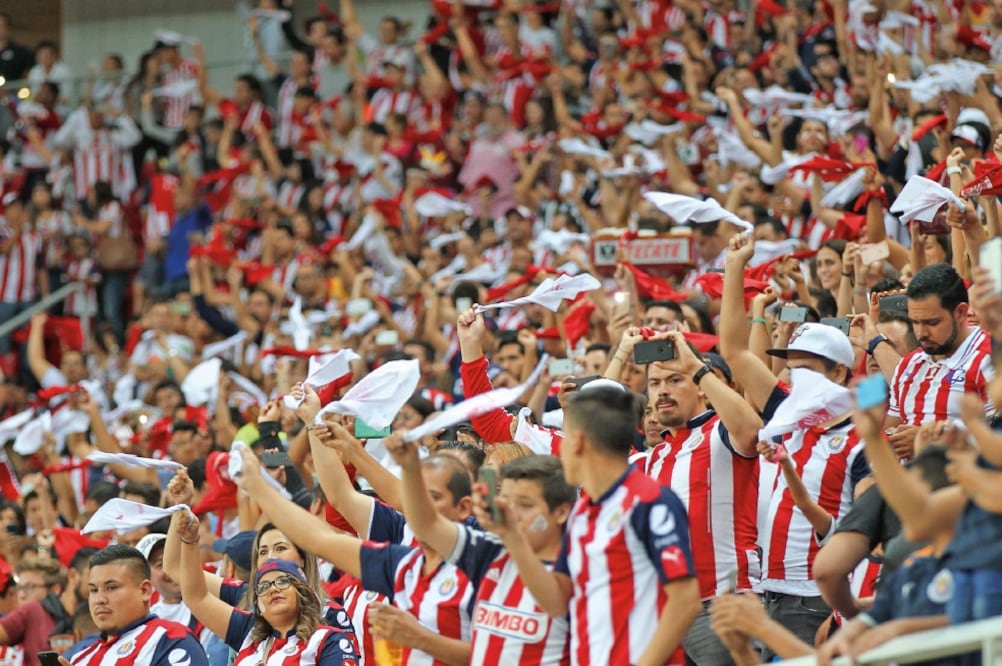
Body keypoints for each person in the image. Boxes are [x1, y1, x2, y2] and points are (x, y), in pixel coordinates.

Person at [720, 233, 868, 656]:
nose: (792, 378)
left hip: (817, 599)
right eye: (790, 368)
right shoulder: (785, 414)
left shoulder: (861, 439)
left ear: (838, 374)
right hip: (771, 592)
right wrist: (735, 267)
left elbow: (865, 528)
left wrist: (838, 608)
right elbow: (734, 352)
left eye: (806, 369)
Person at [497, 386, 702, 665]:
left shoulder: (650, 501)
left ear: (578, 442)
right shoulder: (581, 510)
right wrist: (512, 537)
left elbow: (686, 600)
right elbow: (556, 602)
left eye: (564, 437)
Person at [388, 429, 575, 665]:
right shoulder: (490, 552)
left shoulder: (578, 569)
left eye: (525, 505)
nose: (511, 512)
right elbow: (426, 524)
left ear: (561, 512)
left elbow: (556, 603)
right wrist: (410, 468)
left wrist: (511, 534)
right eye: (504, 500)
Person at [636, 328, 762, 665]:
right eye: (654, 384)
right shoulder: (655, 456)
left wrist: (696, 367)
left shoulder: (720, 432)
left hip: (723, 605)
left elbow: (752, 430)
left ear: (701, 387)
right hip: (670, 614)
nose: (662, 391)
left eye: (675, 380)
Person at [175, 509, 359, 666]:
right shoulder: (247, 630)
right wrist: (189, 540)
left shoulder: (328, 639)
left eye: (282, 581)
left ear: (302, 591)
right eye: (263, 586)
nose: (273, 589)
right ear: (256, 600)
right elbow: (196, 596)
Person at [885, 263, 995, 458]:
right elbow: (891, 430)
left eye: (932, 322)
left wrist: (929, 444)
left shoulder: (991, 359)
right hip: (911, 474)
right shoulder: (908, 364)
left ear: (961, 312)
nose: (921, 333)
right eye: (915, 322)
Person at [66, 544, 207, 666]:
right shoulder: (80, 659)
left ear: (144, 590)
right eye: (93, 590)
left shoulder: (170, 639)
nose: (99, 599)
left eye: (111, 587)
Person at [0, 550, 91, 666]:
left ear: (55, 590)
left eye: (29, 587)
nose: (21, 595)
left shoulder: (97, 615)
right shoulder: (33, 610)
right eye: (19, 588)